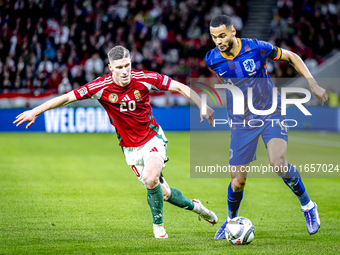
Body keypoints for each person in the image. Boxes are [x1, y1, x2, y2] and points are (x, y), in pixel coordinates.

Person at [14, 45, 217, 239]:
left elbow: (179, 86)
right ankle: (198, 207)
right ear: (111, 68)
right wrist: (35, 111)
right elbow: (67, 97)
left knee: (150, 177)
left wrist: (202, 105)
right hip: (130, 148)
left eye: (127, 65)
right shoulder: (100, 87)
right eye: (119, 67)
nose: (125, 71)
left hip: (152, 137)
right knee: (164, 193)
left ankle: (158, 227)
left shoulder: (144, 78)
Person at [205, 15, 328, 239]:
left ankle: (308, 206)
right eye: (214, 37)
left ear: (233, 31)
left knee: (278, 163)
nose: (218, 41)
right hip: (242, 121)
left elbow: (291, 56)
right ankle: (231, 219)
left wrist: (312, 82)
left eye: (222, 35)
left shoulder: (256, 48)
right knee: (238, 181)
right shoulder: (212, 59)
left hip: (271, 111)